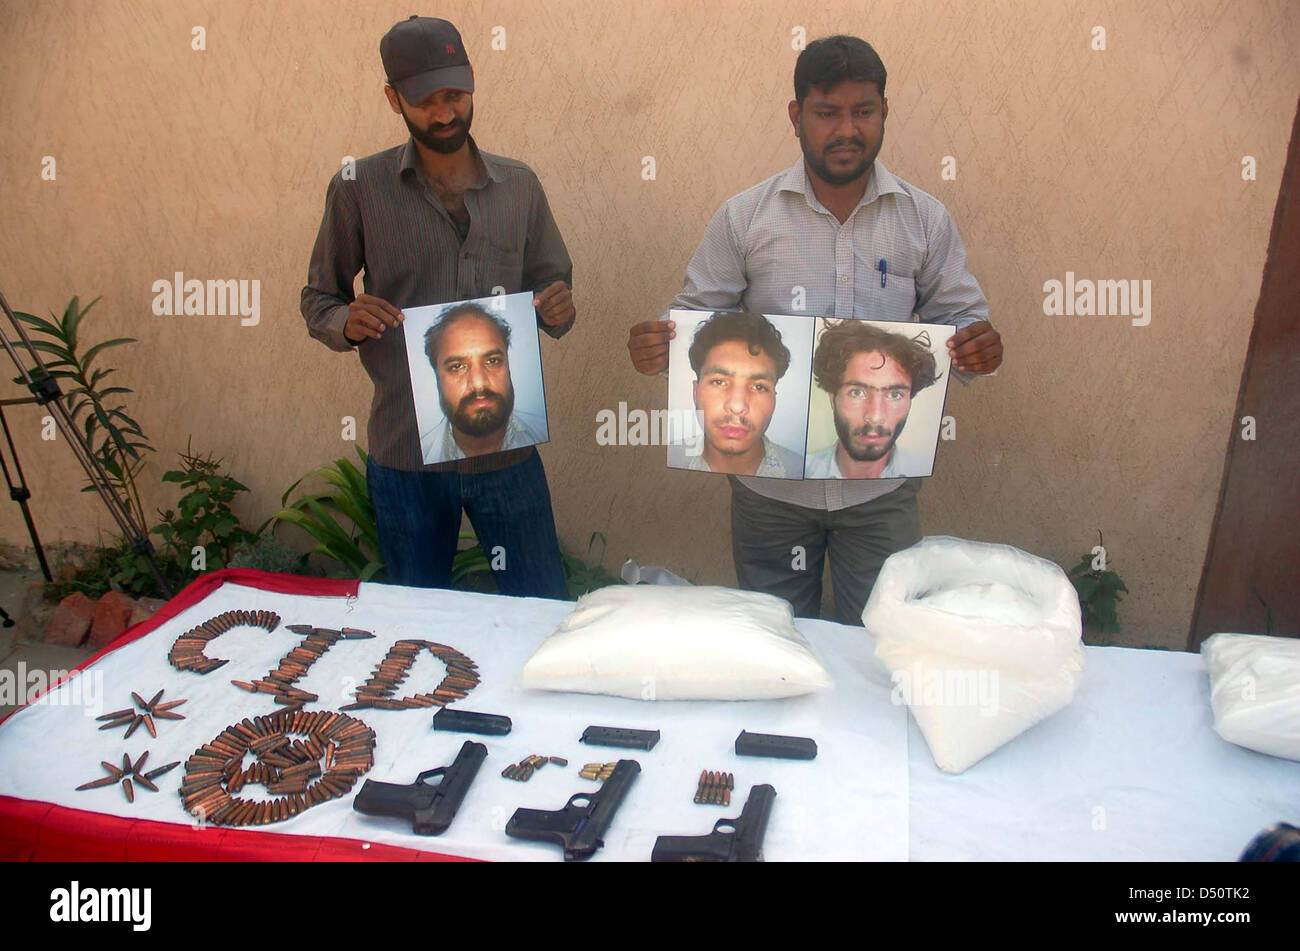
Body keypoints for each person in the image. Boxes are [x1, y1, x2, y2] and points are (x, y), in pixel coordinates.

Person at [626, 34, 1004, 625]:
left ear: (884, 113)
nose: (846, 129)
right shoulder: (745, 217)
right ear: (797, 117)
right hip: (770, 497)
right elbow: (696, 318)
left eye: (863, 111)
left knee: (881, 643)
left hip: (880, 495)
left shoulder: (922, 219)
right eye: (827, 113)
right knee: (777, 639)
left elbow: (960, 319)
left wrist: (978, 346)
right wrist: (661, 350)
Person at [301, 16, 575, 597]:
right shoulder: (358, 188)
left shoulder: (519, 186)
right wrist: (342, 322)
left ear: (472, 80)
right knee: (417, 618)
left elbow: (555, 288)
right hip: (405, 456)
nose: (446, 113)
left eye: (455, 95)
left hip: (507, 453)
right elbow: (318, 297)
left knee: (539, 607)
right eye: (426, 101)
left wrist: (557, 310)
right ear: (392, 98)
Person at [668, 312, 803, 478]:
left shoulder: (800, 469)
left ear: (774, 398)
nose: (737, 407)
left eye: (759, 387)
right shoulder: (664, 460)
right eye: (719, 382)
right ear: (695, 392)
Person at [804, 321, 940, 479]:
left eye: (894, 395)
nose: (875, 417)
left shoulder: (923, 471)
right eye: (857, 393)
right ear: (833, 399)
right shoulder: (801, 471)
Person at [419, 302, 547, 463]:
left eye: (492, 361)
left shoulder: (540, 432)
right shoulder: (421, 454)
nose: (479, 383)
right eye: (457, 366)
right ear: (437, 376)